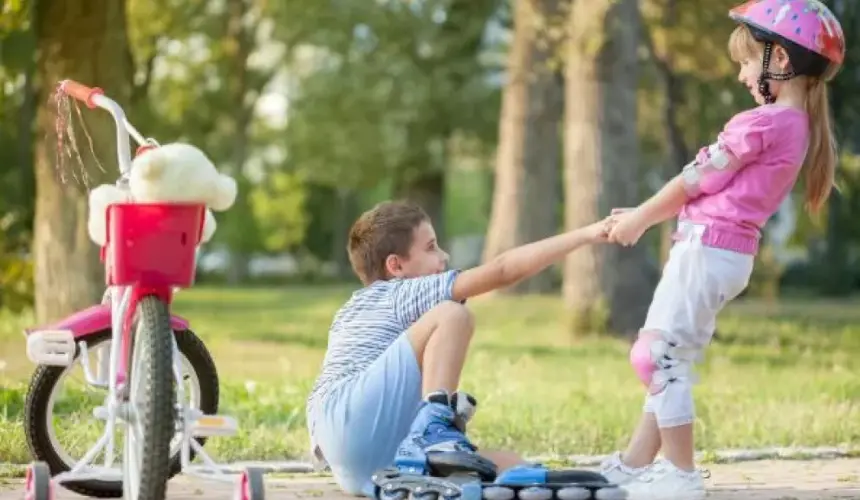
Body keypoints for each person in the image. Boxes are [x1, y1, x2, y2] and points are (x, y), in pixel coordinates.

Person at [598, 0, 846, 497]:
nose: (740, 76)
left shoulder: (763, 124)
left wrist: (641, 219)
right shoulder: (795, 127)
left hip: (707, 250)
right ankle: (636, 464)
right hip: (723, 253)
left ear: (781, 61)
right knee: (672, 358)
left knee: (655, 356)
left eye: (746, 63)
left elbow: (694, 183)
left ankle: (681, 476)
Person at [305, 200, 612, 497]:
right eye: (430, 247)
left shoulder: (350, 311)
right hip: (351, 418)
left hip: (353, 462)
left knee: (509, 463)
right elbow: (503, 270)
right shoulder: (399, 292)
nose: (444, 255)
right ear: (395, 266)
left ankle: (440, 448)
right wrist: (588, 234)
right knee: (452, 313)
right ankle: (434, 429)